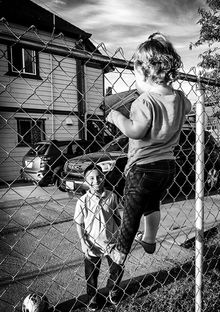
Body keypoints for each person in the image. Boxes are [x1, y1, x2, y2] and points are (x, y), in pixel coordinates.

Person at [106, 32, 192, 265]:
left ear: (146, 73)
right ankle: (150, 239)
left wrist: (115, 117)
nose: (135, 81)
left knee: (132, 206)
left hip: (142, 167)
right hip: (167, 167)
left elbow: (135, 131)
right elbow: (188, 105)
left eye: (135, 74)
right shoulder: (181, 98)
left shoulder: (144, 102)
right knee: (152, 203)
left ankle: (121, 251)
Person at [74, 164, 124, 311]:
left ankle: (112, 290)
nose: (96, 180)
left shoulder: (112, 196)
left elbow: (116, 217)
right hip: (92, 244)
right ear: (86, 181)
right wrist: (83, 242)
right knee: (91, 275)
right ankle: (92, 298)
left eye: (99, 176)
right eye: (91, 178)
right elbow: (79, 224)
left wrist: (121, 235)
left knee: (117, 269)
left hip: (111, 242)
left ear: (104, 178)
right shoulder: (82, 201)